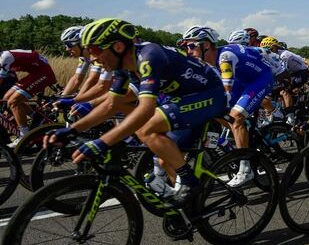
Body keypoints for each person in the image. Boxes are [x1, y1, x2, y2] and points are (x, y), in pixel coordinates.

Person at [47, 18, 226, 205]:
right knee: (165, 158)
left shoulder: (149, 56)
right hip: (181, 99)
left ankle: (190, 182)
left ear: (117, 47)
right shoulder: (123, 67)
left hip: (210, 94)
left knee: (145, 128)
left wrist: (102, 142)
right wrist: (72, 130)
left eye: (95, 50)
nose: (92, 58)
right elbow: (112, 104)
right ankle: (189, 207)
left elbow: (146, 110)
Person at [182, 26, 277, 187]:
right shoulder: (205, 62)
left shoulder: (225, 56)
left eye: (191, 46)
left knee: (236, 117)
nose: (188, 51)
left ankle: (246, 169)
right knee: (215, 112)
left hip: (260, 79)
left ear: (206, 45)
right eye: (186, 47)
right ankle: (242, 135)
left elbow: (226, 87)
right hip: (242, 81)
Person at [0, 49, 57, 147]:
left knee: (13, 102)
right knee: (6, 99)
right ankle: (37, 118)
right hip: (35, 73)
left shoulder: (5, 57)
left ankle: (24, 136)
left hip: (43, 73)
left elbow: (1, 79)